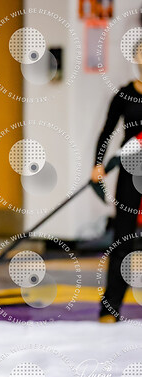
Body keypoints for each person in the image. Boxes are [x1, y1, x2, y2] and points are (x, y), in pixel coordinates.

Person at [92, 50, 142, 323]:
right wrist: (97, 164)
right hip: (131, 172)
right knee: (123, 239)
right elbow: (107, 131)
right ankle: (110, 306)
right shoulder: (124, 94)